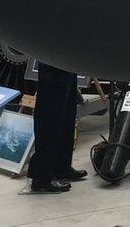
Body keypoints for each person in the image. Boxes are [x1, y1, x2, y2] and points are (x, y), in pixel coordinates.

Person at [28, 62, 87, 194]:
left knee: (67, 110)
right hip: (51, 53)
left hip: (65, 55)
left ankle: (62, 167)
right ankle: (42, 176)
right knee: (51, 112)